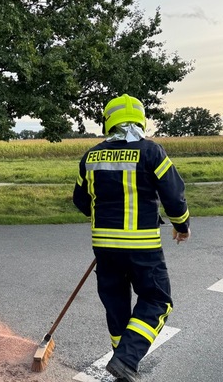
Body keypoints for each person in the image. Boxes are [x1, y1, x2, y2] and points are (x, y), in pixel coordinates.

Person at [72, 94, 191, 382]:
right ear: (140, 121)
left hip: (105, 247)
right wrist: (181, 225)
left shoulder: (91, 156)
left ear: (109, 121)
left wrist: (103, 215)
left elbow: (81, 200)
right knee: (157, 300)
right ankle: (125, 359)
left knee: (116, 304)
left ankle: (121, 363)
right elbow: (173, 194)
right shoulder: (151, 152)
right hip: (142, 247)